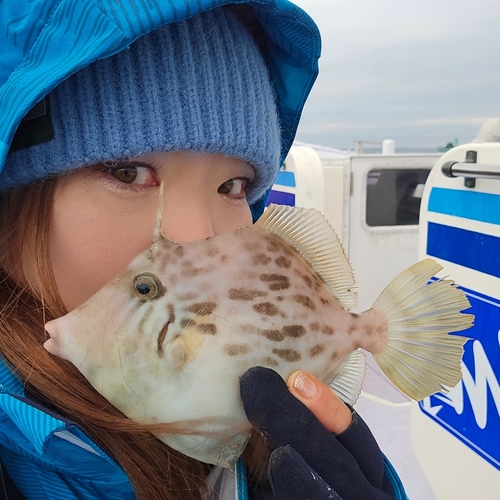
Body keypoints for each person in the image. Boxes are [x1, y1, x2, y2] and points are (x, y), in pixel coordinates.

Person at [0, 0, 408, 498]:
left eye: (234, 186)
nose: (199, 237)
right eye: (129, 173)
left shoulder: (262, 429)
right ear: (13, 205)